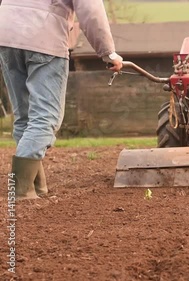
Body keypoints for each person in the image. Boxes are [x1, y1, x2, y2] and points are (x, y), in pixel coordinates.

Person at [0, 0, 123, 200]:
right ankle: (21, 191)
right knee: (45, 118)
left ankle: (37, 188)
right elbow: (90, 9)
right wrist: (108, 52)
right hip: (43, 35)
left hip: (5, 34)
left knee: (25, 116)